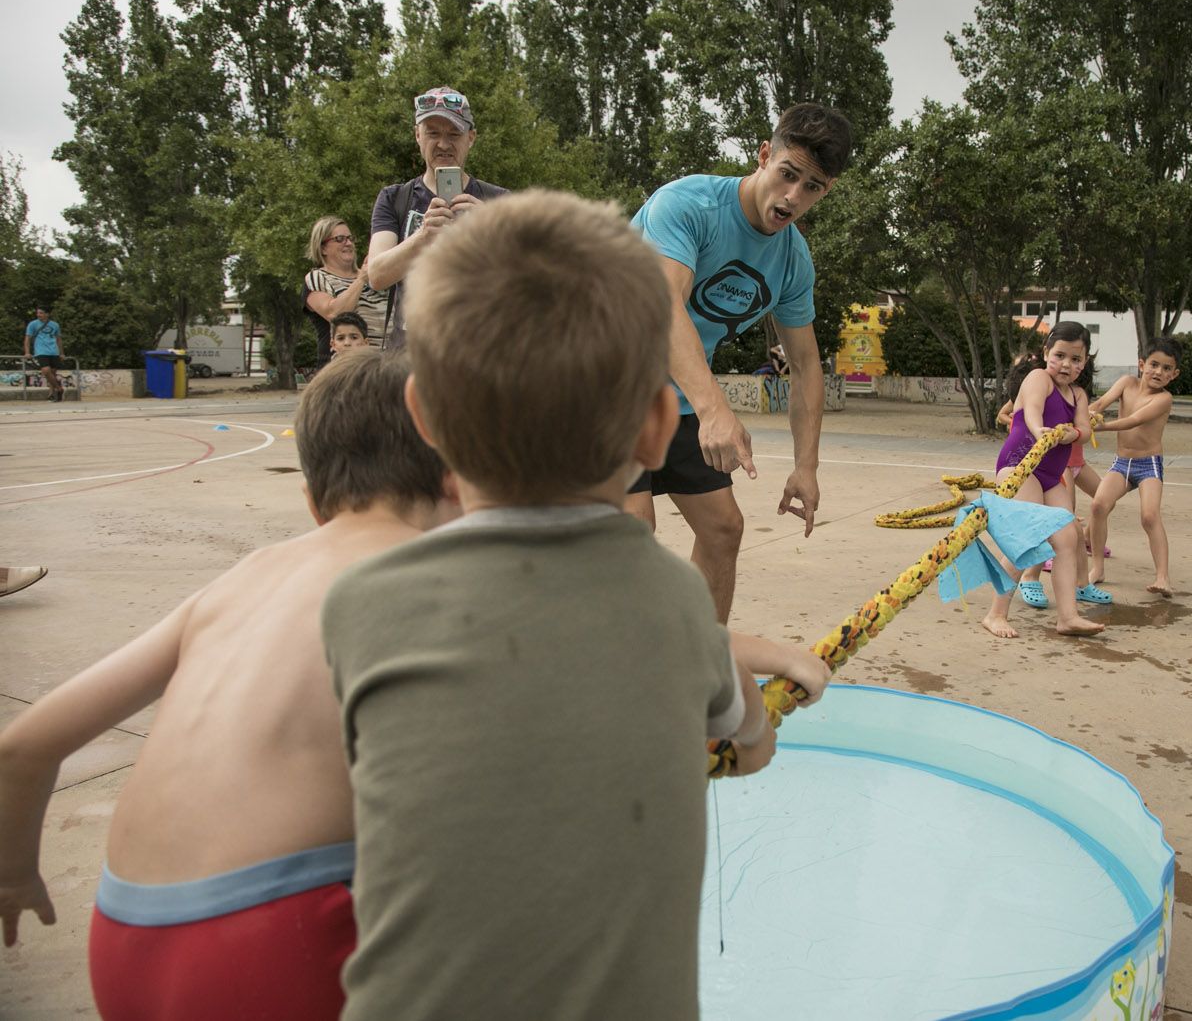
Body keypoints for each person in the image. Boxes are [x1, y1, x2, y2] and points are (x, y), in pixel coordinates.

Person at [325, 188, 829, 1019]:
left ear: (422, 416)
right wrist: (746, 682)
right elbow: (750, 745)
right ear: (655, 422)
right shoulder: (674, 607)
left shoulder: (359, 605)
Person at [0, 349, 460, 1019]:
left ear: (311, 501)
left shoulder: (240, 579)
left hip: (125, 935)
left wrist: (13, 872)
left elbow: (25, 746)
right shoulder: (424, 580)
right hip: (276, 939)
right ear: (455, 479)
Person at [624, 102, 853, 623]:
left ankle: (704, 674)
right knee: (632, 535)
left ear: (826, 191)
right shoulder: (687, 204)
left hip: (671, 395)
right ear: (764, 155)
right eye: (787, 175)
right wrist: (714, 409)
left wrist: (806, 466)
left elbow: (806, 365)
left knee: (724, 529)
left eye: (812, 186)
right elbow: (664, 307)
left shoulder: (793, 260)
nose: (792, 197)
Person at [981, 322, 1107, 639]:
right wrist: (1042, 434)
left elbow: (1086, 430)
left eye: (1076, 359)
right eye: (1060, 355)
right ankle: (995, 614)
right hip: (1020, 466)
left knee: (1068, 539)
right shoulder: (1039, 378)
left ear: (1085, 362)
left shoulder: (1078, 394)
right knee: (1027, 538)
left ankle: (1068, 617)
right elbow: (1034, 412)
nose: (1066, 364)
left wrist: (1072, 434)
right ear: (1046, 353)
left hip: (1051, 476)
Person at [365, 86, 509, 349]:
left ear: (471, 138)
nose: (443, 144)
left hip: (480, 360)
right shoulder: (394, 198)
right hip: (409, 362)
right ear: (417, 136)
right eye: (433, 133)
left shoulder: (499, 202)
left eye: (454, 134)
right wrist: (422, 237)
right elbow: (376, 275)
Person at [1087, 338, 1181, 597]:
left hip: (1148, 464)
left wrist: (1099, 426)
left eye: (1166, 368)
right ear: (1141, 364)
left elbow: (1133, 421)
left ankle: (1163, 577)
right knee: (1097, 506)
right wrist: (1087, 414)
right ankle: (1097, 568)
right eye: (1154, 365)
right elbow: (1102, 403)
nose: (1158, 372)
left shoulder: (1165, 399)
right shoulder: (1127, 383)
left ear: (1174, 375)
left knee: (1149, 516)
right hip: (1121, 463)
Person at [303, 216, 388, 365]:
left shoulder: (373, 277)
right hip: (344, 371)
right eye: (340, 239)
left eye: (350, 238)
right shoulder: (316, 278)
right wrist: (361, 279)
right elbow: (335, 313)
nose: (348, 243)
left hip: (384, 367)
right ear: (322, 248)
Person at [23, 307, 64, 402]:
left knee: (52, 374)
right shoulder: (33, 324)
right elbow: (27, 339)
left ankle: (52, 395)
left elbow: (59, 339)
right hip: (41, 351)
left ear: (47, 314)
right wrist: (27, 352)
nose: (38, 315)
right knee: (46, 371)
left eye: (41, 313)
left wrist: (61, 353)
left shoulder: (55, 325)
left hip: (54, 351)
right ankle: (59, 388)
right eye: (38, 313)